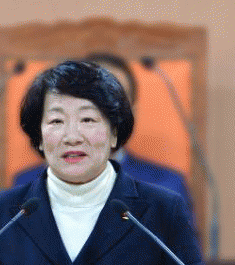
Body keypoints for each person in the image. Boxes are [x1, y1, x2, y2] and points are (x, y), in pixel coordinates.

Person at [0, 61, 205, 265]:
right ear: (39, 138)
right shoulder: (1, 213)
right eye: (56, 121)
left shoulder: (163, 211)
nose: (72, 137)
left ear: (114, 133)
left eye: (87, 120)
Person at [13, 53, 198, 230]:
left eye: (113, 102)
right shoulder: (27, 186)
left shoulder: (167, 187)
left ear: (131, 113)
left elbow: (182, 253)